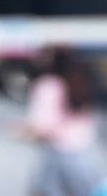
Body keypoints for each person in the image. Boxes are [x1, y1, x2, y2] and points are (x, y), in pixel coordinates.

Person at [16, 46, 103, 196]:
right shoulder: (82, 80)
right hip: (86, 156)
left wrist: (20, 130)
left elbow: (41, 127)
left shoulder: (48, 85)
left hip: (58, 157)